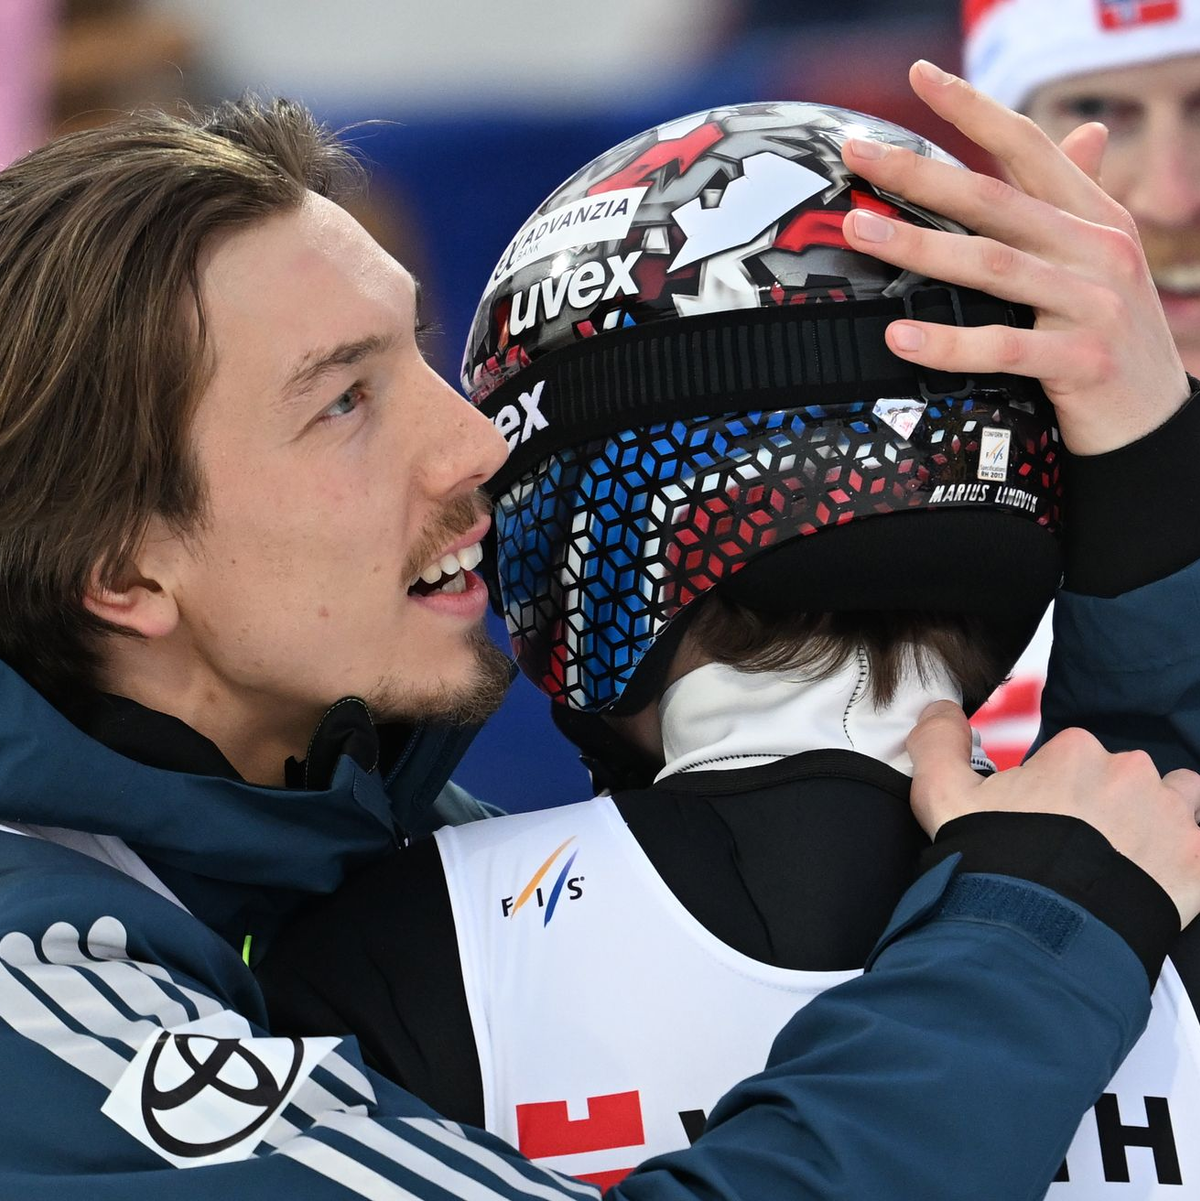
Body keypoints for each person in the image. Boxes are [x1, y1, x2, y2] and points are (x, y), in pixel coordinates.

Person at [0, 79, 1191, 1200]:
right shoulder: (34, 988)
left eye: (421, 352)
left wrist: (1147, 475)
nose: (480, 444)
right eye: (345, 401)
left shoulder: (375, 849)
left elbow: (1128, 833)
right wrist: (1033, 942)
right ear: (121, 571)